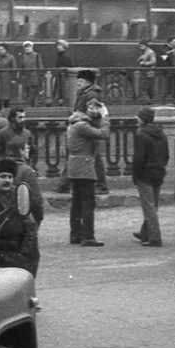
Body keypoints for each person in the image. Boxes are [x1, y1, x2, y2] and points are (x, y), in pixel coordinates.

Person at [65, 98, 108, 247]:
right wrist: (105, 116)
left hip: (75, 166)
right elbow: (104, 133)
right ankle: (88, 236)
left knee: (77, 202)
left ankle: (76, 234)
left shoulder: (75, 123)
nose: (93, 110)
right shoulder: (82, 126)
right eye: (90, 107)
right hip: (84, 166)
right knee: (88, 202)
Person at [131, 106, 169, 247]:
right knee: (153, 205)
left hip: (145, 174)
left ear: (142, 119)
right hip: (158, 172)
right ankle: (145, 232)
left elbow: (138, 159)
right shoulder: (162, 134)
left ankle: (154, 237)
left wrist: (135, 175)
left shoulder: (141, 135)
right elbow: (166, 155)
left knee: (149, 207)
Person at [17, 41, 45, 106]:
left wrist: (41, 76)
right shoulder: (23, 56)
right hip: (26, 78)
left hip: (34, 77)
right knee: (27, 94)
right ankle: (29, 107)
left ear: (32, 47)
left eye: (29, 47)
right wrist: (20, 76)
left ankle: (34, 107)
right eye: (26, 47)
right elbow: (21, 67)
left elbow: (40, 66)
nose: (27, 48)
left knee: (34, 94)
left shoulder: (36, 55)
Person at [52, 39, 75, 104]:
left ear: (64, 47)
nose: (58, 47)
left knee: (63, 93)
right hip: (59, 78)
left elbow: (70, 67)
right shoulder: (59, 56)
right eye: (58, 45)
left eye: (60, 45)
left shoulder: (66, 56)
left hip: (64, 79)